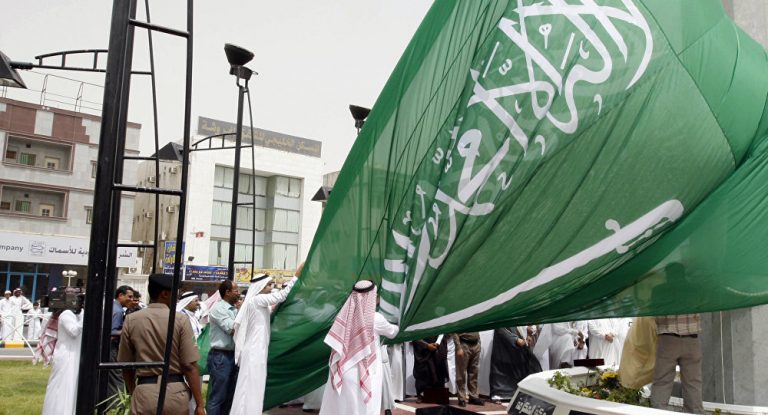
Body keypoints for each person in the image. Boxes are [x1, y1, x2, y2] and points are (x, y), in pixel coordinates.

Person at [118, 274, 204, 415]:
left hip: (144, 391)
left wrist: (135, 392)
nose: (177, 298)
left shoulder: (131, 320)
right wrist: (200, 404)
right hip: (174, 392)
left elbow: (126, 365)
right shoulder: (180, 320)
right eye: (175, 293)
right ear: (164, 294)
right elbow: (188, 365)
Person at [319, 280, 399, 415]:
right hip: (367, 373)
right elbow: (393, 332)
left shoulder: (344, 316)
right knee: (365, 409)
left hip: (343, 371)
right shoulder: (376, 319)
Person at [230, 270, 299, 415]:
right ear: (260, 286)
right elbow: (281, 296)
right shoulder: (257, 300)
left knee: (255, 385)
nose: (271, 287)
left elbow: (274, 306)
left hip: (258, 350)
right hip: (254, 351)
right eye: (269, 285)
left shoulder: (259, 303)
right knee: (250, 386)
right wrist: (296, 276)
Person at [650, 314, 703, 414]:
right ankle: (695, 412)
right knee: (693, 383)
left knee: (662, 382)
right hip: (692, 338)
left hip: (667, 338)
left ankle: (658, 412)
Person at [206, 279, 240, 415]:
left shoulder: (234, 309)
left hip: (233, 356)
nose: (239, 293)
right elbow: (232, 329)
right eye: (236, 290)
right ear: (227, 292)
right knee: (218, 396)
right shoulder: (218, 309)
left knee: (229, 396)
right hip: (221, 357)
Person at [489, 326, 542, 401]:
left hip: (518, 350)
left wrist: (529, 335)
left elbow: (524, 327)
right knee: (502, 373)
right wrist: (516, 339)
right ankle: (501, 394)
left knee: (533, 366)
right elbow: (501, 330)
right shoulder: (501, 324)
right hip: (504, 351)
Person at [108, 285, 134, 398]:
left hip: (109, 348)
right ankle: (119, 403)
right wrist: (128, 330)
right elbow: (112, 333)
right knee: (117, 378)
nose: (131, 299)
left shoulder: (113, 307)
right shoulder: (118, 311)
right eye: (129, 296)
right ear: (120, 295)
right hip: (111, 349)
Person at [412, 336, 448, 401]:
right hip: (423, 350)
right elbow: (415, 336)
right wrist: (427, 345)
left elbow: (442, 333)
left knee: (438, 370)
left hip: (437, 347)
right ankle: (421, 394)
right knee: (424, 371)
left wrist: (437, 343)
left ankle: (437, 395)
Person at [452, 332, 484, 407]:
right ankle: (461, 398)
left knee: (474, 373)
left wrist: (479, 342)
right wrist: (458, 347)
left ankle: (473, 396)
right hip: (464, 344)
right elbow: (454, 331)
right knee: (461, 373)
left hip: (475, 344)